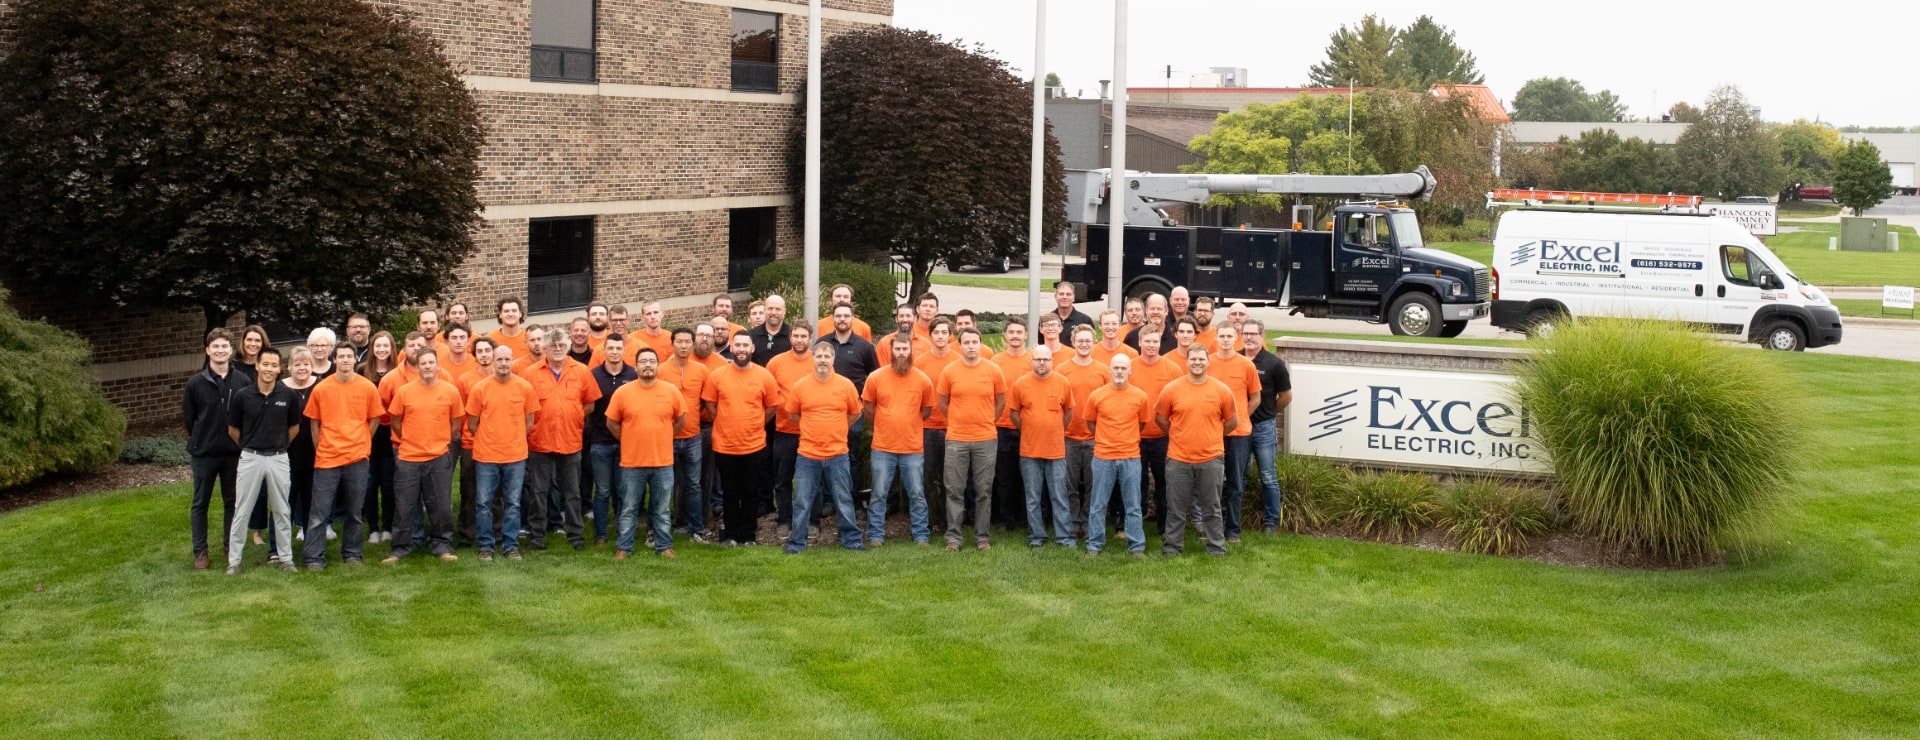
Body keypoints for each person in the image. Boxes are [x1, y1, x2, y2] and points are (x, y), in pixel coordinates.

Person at [302, 344, 384, 570]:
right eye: (341, 356)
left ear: (354, 360)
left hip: (357, 457)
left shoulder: (367, 388)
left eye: (349, 356)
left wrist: (364, 441)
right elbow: (314, 421)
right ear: (334, 359)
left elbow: (375, 418)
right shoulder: (322, 388)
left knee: (355, 512)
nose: (346, 360)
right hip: (327, 459)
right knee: (319, 513)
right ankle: (313, 558)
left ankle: (352, 553)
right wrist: (321, 447)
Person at [782, 341, 866, 554]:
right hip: (808, 455)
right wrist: (810, 428)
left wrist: (838, 428)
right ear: (813, 359)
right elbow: (793, 414)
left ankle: (851, 540)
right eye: (818, 356)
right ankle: (796, 543)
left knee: (844, 499)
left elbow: (855, 413)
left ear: (833, 359)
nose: (822, 360)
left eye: (827, 356)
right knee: (801, 501)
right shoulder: (801, 386)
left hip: (838, 454)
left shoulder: (845, 385)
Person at [1154, 344, 1237, 556]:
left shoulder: (1221, 390)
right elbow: (1161, 418)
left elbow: (1232, 422)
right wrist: (1179, 433)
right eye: (1193, 359)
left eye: (1201, 359)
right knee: (1176, 507)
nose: (1197, 363)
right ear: (1187, 361)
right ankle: (1172, 547)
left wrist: (1212, 435)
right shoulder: (1172, 389)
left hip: (1211, 458)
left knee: (1212, 507)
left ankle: (1216, 547)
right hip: (1178, 458)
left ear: (1208, 362)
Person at [383, 348, 464, 563]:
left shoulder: (450, 391)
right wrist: (410, 439)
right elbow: (395, 421)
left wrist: (441, 439)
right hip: (408, 457)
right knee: (404, 505)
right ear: (417, 367)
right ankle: (400, 548)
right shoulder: (405, 392)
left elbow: (456, 422)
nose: (427, 366)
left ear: (438, 366)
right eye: (423, 363)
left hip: (438, 456)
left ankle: (442, 546)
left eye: (431, 362)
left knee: (440, 505)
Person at [224, 346, 301, 573]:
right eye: (265, 364)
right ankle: (234, 561)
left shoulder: (288, 396)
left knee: (282, 510)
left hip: (278, 458)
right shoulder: (242, 396)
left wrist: (278, 445)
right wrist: (250, 446)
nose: (269, 369)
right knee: (242, 510)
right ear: (257, 366)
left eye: (274, 365)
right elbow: (233, 429)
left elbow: (294, 428)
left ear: (280, 369)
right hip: (251, 457)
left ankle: (286, 558)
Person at [604, 347, 687, 558]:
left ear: (658, 365)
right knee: (629, 508)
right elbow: (611, 422)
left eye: (652, 361)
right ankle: (624, 547)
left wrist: (663, 435)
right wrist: (629, 439)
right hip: (632, 463)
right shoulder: (623, 392)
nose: (648, 365)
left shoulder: (671, 391)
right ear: (636, 366)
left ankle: (664, 546)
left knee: (661, 509)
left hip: (662, 461)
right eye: (643, 361)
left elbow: (680, 421)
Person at [525, 328, 602, 551]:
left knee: (573, 493)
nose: (557, 350)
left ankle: (576, 538)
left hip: (570, 440)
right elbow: (525, 406)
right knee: (538, 492)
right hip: (540, 441)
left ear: (567, 346)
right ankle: (536, 538)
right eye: (552, 346)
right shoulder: (531, 373)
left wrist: (573, 415)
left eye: (561, 345)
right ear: (545, 349)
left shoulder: (581, 371)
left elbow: (590, 404)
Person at [702, 332, 781, 546]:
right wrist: (723, 421)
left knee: (750, 491)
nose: (742, 349)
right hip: (725, 445)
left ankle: (748, 535)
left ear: (752, 348)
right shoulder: (717, 375)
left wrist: (756, 423)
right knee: (730, 491)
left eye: (746, 345)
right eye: (738, 345)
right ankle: (730, 534)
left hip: (754, 444)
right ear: (733, 348)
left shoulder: (764, 376)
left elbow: (772, 406)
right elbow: (710, 404)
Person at [466, 344, 540, 561]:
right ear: (493, 361)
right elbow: (472, 424)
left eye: (508, 359)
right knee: (483, 503)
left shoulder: (524, 387)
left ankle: (511, 546)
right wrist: (491, 437)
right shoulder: (480, 388)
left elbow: (529, 421)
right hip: (486, 456)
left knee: (513, 503)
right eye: (499, 360)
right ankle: (486, 546)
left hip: (515, 456)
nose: (504, 364)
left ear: (512, 361)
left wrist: (512, 437)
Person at [184, 328, 250, 570]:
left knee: (232, 501)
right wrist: (202, 438)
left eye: (224, 347)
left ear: (231, 351)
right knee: (200, 502)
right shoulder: (195, 383)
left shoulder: (242, 381)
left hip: (234, 453)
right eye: (216, 347)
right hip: (204, 453)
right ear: (208, 350)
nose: (220, 350)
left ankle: (229, 546)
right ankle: (200, 551)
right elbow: (190, 418)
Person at [936, 327, 1006, 552]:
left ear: (981, 343)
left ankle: (982, 537)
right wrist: (958, 421)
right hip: (956, 439)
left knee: (983, 490)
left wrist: (986, 420)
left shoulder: (993, 370)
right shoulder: (949, 371)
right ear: (960, 345)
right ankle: (953, 538)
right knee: (954, 490)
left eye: (975, 342)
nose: (971, 346)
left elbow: (1000, 400)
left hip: (986, 439)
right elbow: (943, 402)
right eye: (966, 342)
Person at [863, 334, 935, 546]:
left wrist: (907, 423)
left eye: (905, 349)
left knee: (917, 494)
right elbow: (868, 407)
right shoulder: (876, 377)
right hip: (883, 447)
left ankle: (921, 535)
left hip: (912, 447)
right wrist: (886, 421)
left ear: (911, 351)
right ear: (891, 351)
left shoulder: (922, 379)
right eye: (898, 349)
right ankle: (876, 535)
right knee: (878, 493)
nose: (901, 353)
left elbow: (927, 410)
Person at [1085, 354, 1151, 557]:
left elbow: (1141, 424)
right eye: (1116, 368)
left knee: (1133, 504)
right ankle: (1094, 545)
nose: (1120, 372)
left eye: (1124, 368)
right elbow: (1090, 423)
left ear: (1130, 371)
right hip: (1103, 456)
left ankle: (1136, 546)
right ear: (1109, 370)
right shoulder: (1097, 395)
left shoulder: (1140, 396)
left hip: (1131, 456)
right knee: (1098, 504)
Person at [1009, 345, 1074, 548]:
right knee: (1033, 497)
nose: (1042, 363)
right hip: (1029, 451)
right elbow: (1014, 414)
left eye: (1046, 359)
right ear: (1032, 361)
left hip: (1055, 451)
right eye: (1038, 359)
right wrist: (1029, 429)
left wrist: (1054, 430)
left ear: (1052, 361)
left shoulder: (1062, 382)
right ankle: (1037, 536)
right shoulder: (1021, 384)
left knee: (1059, 496)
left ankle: (1064, 537)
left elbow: (1068, 412)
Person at [1206, 322, 1261, 543]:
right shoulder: (1208, 362)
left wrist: (1241, 416)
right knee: (1211, 483)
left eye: (1230, 336)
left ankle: (1233, 530)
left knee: (1235, 483)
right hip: (1212, 433)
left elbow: (1255, 397)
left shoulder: (1246, 365)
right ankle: (1212, 529)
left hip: (1239, 433)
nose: (1226, 340)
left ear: (1236, 337)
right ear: (1216, 338)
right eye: (1222, 336)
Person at [1057, 325, 1109, 541]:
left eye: (1088, 340)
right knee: (1068, 486)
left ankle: (1088, 524)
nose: (1084, 344)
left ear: (1094, 342)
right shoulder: (1062, 369)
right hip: (1068, 437)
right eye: (1080, 340)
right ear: (1073, 341)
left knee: (1092, 485)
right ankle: (1072, 524)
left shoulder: (1103, 370)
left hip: (1095, 438)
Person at [1129, 330, 1184, 535]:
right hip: (1135, 437)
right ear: (1140, 342)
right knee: (1136, 482)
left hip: (1163, 436)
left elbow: (1180, 400)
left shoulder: (1172, 369)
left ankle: (1164, 527)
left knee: (1164, 483)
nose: (1151, 345)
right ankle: (1136, 525)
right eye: (1147, 341)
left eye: (1155, 341)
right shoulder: (1130, 368)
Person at [586, 333, 637, 546]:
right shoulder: (593, 375)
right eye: (611, 348)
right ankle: (601, 534)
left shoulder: (633, 374)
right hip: (600, 442)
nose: (614, 352)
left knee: (623, 489)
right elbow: (588, 407)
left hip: (626, 441)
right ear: (603, 351)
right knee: (603, 490)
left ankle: (622, 530)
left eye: (618, 348)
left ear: (624, 351)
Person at [1241, 319, 1292, 533]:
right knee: (1238, 475)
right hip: (1239, 429)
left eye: (1253, 333)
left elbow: (1286, 397)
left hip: (1263, 428)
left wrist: (1269, 413)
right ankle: (1235, 518)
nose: (1249, 337)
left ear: (1262, 335)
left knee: (1268, 476)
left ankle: (1271, 521)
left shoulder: (1274, 364)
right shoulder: (1235, 359)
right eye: (1246, 333)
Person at [764, 323, 814, 541]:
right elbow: (765, 391)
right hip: (784, 430)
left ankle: (812, 522)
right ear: (790, 338)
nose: (799, 340)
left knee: (813, 480)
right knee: (783, 479)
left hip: (812, 432)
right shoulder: (776, 363)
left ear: (810, 338)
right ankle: (784, 520)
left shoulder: (818, 361)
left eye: (804, 336)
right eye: (796, 335)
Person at [661, 328, 711, 543]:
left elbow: (705, 400)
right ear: (672, 344)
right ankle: (665, 527)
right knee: (666, 484)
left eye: (687, 342)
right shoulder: (661, 370)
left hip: (693, 437)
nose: (683, 346)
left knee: (693, 484)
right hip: (667, 436)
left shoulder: (701, 370)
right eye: (679, 341)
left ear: (693, 345)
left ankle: (696, 529)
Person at [912, 317, 959, 529]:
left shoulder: (958, 361)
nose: (940, 336)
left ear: (950, 335)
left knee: (951, 478)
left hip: (953, 428)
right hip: (927, 428)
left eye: (944, 332)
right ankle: (930, 521)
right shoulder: (920, 362)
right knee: (928, 476)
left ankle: (951, 520)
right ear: (929, 335)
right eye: (936, 332)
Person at [988, 317, 1033, 530]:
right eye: (1011, 332)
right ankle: (1006, 520)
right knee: (1004, 477)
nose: (1015, 336)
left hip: (1028, 428)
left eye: (1019, 332)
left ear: (1025, 335)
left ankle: (1027, 519)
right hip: (1003, 427)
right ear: (1005, 335)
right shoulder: (995, 362)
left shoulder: (1034, 361)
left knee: (1028, 476)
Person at [359, 331, 402, 544]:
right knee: (369, 482)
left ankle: (387, 526)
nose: (382, 350)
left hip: (390, 432)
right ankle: (372, 527)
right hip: (367, 432)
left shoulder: (398, 372)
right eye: (378, 346)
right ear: (372, 349)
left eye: (386, 346)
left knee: (388, 483)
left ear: (392, 348)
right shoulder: (362, 372)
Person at [454, 336, 496, 548]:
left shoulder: (503, 377)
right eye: (480, 351)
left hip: (498, 444)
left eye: (488, 350)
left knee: (496, 492)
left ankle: (495, 532)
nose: (484, 355)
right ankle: (467, 534)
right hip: (472, 443)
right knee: (470, 491)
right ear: (475, 355)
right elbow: (461, 412)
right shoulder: (465, 379)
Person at [281, 347, 321, 546]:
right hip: (287, 454)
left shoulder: (320, 386)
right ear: (289, 367)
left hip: (314, 453)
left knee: (310, 501)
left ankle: (310, 544)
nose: (302, 368)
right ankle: (278, 546)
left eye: (306, 364)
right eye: (297, 364)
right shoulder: (281, 388)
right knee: (284, 502)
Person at [625, 301, 674, 365]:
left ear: (662, 314)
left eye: (656, 312)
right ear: (643, 318)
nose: (653, 317)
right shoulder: (633, 338)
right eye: (648, 314)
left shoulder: (672, 338)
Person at [748, 294, 790, 365]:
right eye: (770, 308)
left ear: (784, 311)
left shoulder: (792, 335)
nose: (773, 313)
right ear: (764, 310)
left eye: (778, 309)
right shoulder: (751, 335)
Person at [487, 296, 529, 361]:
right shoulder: (490, 339)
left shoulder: (530, 338)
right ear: (500, 314)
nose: (510, 314)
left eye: (514, 311)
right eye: (506, 311)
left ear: (520, 314)